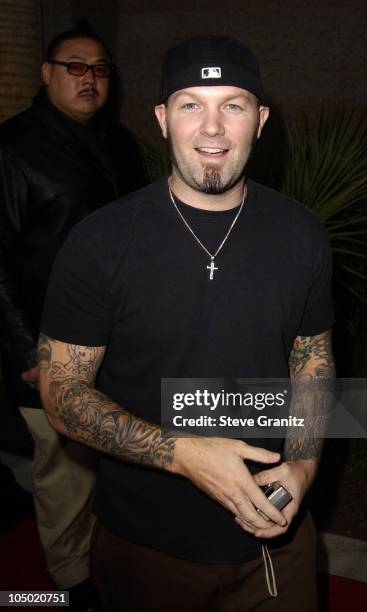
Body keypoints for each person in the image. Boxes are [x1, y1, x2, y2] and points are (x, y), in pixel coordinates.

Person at [39, 36, 335, 612]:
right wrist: (182, 453)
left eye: (233, 105)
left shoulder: (302, 234)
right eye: (191, 104)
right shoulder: (101, 242)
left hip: (274, 542)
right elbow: (62, 394)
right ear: (162, 119)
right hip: (145, 548)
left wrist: (302, 464)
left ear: (261, 119)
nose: (213, 129)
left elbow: (313, 359)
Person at [0, 28, 146, 608]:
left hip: (121, 339)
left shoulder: (123, 143)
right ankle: (70, 585)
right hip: (46, 345)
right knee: (65, 472)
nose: (89, 78)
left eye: (101, 69)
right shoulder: (11, 149)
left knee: (113, 462)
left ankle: (107, 561)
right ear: (45, 72)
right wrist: (26, 351)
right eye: (75, 66)